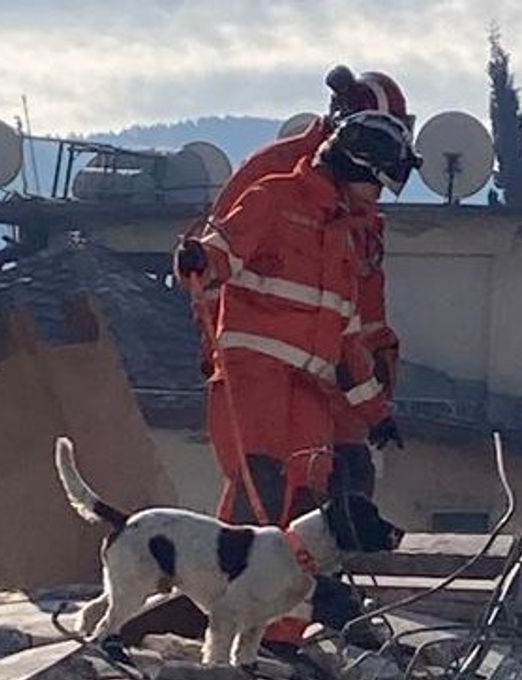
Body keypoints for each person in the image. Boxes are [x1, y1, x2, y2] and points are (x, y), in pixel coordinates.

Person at [174, 110, 416, 530]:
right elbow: (222, 252)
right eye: (377, 182)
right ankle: (228, 586)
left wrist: (377, 414)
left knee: (313, 495)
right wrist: (199, 259)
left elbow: (347, 340)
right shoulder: (274, 198)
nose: (378, 195)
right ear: (354, 165)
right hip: (256, 377)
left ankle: (304, 590)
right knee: (261, 485)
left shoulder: (342, 238)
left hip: (310, 388)